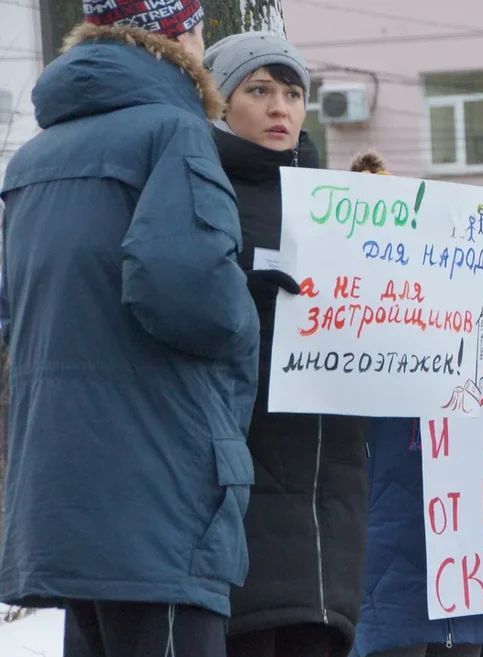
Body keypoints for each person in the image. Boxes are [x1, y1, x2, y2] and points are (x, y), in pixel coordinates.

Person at [0, 2, 260, 656]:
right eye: (199, 29)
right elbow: (187, 289)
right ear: (176, 36)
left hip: (62, 491)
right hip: (160, 489)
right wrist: (246, 301)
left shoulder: (33, 159)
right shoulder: (172, 132)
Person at [202, 33, 368, 657]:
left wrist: (459, 311)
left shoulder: (345, 209)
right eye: (259, 90)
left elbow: (388, 324)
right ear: (220, 102)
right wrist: (238, 296)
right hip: (240, 487)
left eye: (293, 93)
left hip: (331, 496)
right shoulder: (200, 191)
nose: (280, 108)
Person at [349, 152, 483, 657]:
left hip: (456, 550)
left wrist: (476, 292)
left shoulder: (447, 300)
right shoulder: (337, 323)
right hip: (386, 540)